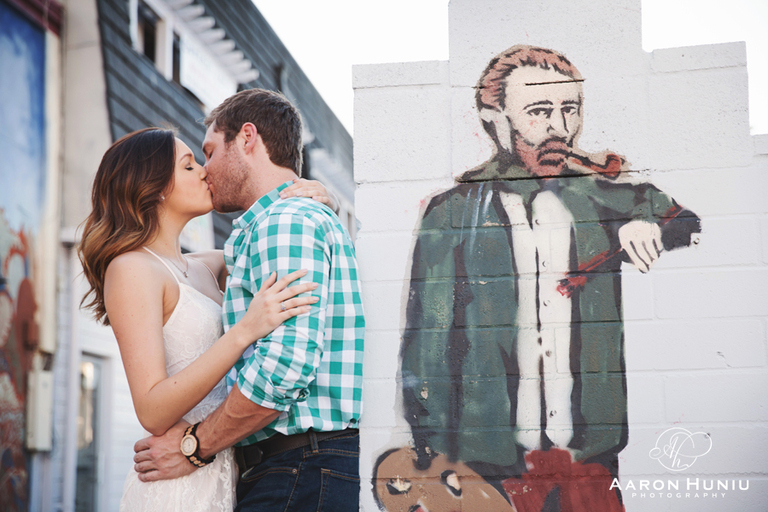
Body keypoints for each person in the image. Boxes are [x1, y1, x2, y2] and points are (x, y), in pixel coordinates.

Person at [375, 45, 701, 511]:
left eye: (570, 110)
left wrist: (647, 224)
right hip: (488, 474)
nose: (558, 128)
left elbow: (684, 219)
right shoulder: (453, 212)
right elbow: (427, 344)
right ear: (495, 119)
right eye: (538, 111)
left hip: (590, 465)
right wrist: (436, 455)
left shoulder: (602, 197)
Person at [78, 127, 337, 511]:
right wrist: (243, 333)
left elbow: (266, 238)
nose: (203, 171)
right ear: (154, 187)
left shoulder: (205, 266)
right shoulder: (130, 268)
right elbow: (151, 409)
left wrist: (318, 196)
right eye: (188, 166)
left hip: (220, 465)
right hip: (176, 482)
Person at [131, 89, 365, 512]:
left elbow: (284, 368)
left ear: (247, 138)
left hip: (299, 468)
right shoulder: (274, 228)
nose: (205, 170)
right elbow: (168, 265)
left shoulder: (285, 224)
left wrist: (193, 446)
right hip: (299, 468)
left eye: (208, 152)